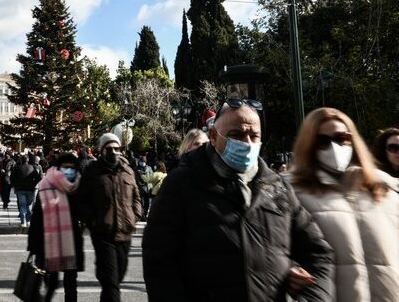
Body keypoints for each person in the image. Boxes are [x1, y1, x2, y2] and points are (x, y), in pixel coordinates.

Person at [142, 99, 334, 301]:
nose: (247, 143)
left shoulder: (278, 188)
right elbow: (159, 263)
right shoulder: (181, 185)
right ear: (214, 137)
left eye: (254, 135)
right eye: (237, 135)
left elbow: (318, 253)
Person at [291, 108, 399, 301]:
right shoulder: (291, 191)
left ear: (352, 139)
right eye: (322, 141)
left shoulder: (386, 188)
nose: (334, 146)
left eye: (341, 138)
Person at [78, 133, 143, 302]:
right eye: (109, 148)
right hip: (103, 234)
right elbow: (82, 200)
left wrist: (134, 216)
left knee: (116, 278)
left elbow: (136, 197)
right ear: (101, 150)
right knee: (111, 282)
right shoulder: (92, 172)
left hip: (125, 232)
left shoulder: (128, 170)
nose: (113, 152)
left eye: (117, 148)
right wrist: (93, 221)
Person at [28, 153, 84, 302]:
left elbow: (84, 212)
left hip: (70, 243)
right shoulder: (46, 186)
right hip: (48, 244)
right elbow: (36, 218)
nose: (69, 171)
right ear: (58, 168)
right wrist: (33, 245)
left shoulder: (78, 187)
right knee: (50, 283)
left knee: (71, 283)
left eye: (72, 168)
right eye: (65, 167)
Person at [12, 154, 41, 228]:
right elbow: (38, 178)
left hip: (20, 189)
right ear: (28, 160)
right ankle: (28, 220)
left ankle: (23, 221)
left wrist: (16, 185)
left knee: (22, 205)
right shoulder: (32, 167)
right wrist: (33, 184)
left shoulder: (17, 167)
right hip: (30, 189)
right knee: (29, 206)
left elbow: (12, 178)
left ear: (21, 160)